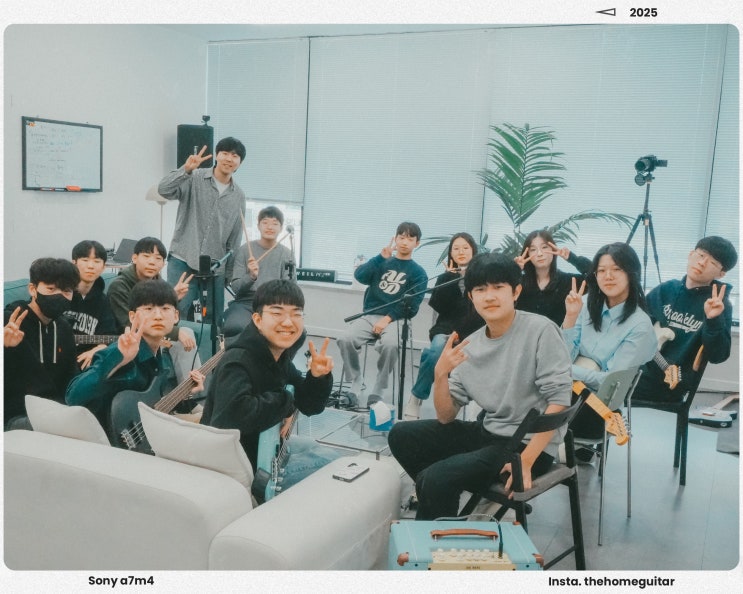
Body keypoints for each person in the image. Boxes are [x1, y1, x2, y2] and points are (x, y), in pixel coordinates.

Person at [388, 253, 573, 520]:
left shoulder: (541, 330)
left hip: (526, 445)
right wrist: (440, 374)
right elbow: (445, 416)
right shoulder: (470, 345)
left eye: (498, 287)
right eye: (481, 289)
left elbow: (560, 401)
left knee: (437, 478)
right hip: (489, 434)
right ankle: (442, 501)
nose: (489, 296)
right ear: (471, 297)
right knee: (401, 435)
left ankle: (440, 513)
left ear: (516, 292)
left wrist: (527, 461)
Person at [200, 280, 342, 493]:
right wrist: (286, 401)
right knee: (332, 461)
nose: (288, 322)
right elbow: (231, 419)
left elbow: (310, 405)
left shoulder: (277, 355)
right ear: (258, 320)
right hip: (240, 470)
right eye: (277, 313)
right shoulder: (237, 361)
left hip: (266, 450)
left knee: (314, 447)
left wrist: (318, 377)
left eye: (296, 314)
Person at [66, 280, 205, 438]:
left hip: (140, 436)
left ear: (176, 316)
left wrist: (187, 393)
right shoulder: (120, 350)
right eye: (149, 309)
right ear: (132, 317)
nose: (158, 316)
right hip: (104, 440)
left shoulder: (157, 356)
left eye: (165, 309)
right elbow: (73, 396)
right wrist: (118, 360)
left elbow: (152, 405)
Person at [562, 242, 657, 445]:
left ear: (632, 274)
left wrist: (566, 371)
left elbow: (610, 382)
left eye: (617, 269)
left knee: (531, 411)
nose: (608, 276)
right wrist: (570, 318)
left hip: (595, 408)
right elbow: (562, 356)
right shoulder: (584, 303)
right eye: (601, 270)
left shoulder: (640, 325)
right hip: (562, 392)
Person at [632, 236, 737, 402]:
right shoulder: (665, 290)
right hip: (636, 367)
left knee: (597, 390)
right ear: (690, 255)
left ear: (721, 273)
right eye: (701, 255)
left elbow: (718, 356)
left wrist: (713, 320)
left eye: (712, 262)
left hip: (666, 384)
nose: (702, 263)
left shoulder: (719, 304)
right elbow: (635, 327)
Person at [157, 137, 247, 325]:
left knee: (212, 320)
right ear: (216, 155)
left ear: (240, 162)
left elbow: (235, 239)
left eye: (235, 156)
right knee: (176, 312)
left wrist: (228, 274)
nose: (229, 159)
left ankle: (207, 347)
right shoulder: (194, 177)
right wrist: (185, 169)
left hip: (215, 266)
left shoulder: (239, 196)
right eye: (225, 153)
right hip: (183, 258)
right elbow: (163, 190)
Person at [337, 222, 428, 408]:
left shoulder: (419, 273)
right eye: (401, 237)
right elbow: (360, 276)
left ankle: (378, 388)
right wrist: (379, 258)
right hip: (369, 315)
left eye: (410, 239)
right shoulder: (382, 262)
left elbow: (412, 306)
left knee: (390, 345)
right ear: (395, 239)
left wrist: (387, 319)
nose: (404, 242)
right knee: (345, 339)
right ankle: (356, 381)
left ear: (417, 243)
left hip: (396, 319)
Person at [404, 232, 484, 420]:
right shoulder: (444, 277)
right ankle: (416, 397)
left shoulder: (481, 276)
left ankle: (468, 407)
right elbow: (439, 306)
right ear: (451, 253)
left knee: (436, 356)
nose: (461, 252)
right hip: (447, 328)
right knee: (436, 351)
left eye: (465, 248)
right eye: (456, 248)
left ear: (473, 251)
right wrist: (448, 278)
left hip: (474, 331)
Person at [4, 258, 80, 430]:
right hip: (15, 416)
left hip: (55, 412)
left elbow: (71, 378)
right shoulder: (9, 320)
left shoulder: (64, 328)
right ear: (33, 289)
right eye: (51, 289)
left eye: (66, 291)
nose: (59, 296)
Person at [106, 237, 197, 379]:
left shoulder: (160, 284)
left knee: (188, 332)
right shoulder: (119, 286)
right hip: (128, 338)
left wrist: (173, 298)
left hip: (153, 334)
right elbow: (129, 323)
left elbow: (170, 319)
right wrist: (176, 332)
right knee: (182, 337)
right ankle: (189, 390)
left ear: (163, 263)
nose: (152, 262)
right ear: (134, 258)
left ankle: (191, 389)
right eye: (146, 256)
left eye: (158, 258)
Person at [222, 205, 294, 340]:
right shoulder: (244, 250)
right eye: (265, 222)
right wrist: (251, 276)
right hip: (246, 302)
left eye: (275, 223)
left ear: (281, 228)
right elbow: (236, 288)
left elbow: (291, 289)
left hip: (273, 304)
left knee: (297, 333)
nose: (270, 227)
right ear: (258, 226)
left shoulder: (287, 254)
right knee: (234, 326)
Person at [515, 229, 592, 325]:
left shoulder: (568, 282)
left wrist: (572, 258)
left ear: (553, 250)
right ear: (527, 254)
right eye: (533, 250)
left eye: (544, 247)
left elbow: (597, 278)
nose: (540, 254)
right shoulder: (519, 283)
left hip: (559, 334)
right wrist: (514, 269)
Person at [64, 240, 118, 370]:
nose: (91, 266)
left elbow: (110, 335)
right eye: (85, 260)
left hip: (86, 362)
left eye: (97, 261)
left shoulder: (103, 301)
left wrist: (100, 347)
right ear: (74, 263)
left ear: (104, 267)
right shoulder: (60, 293)